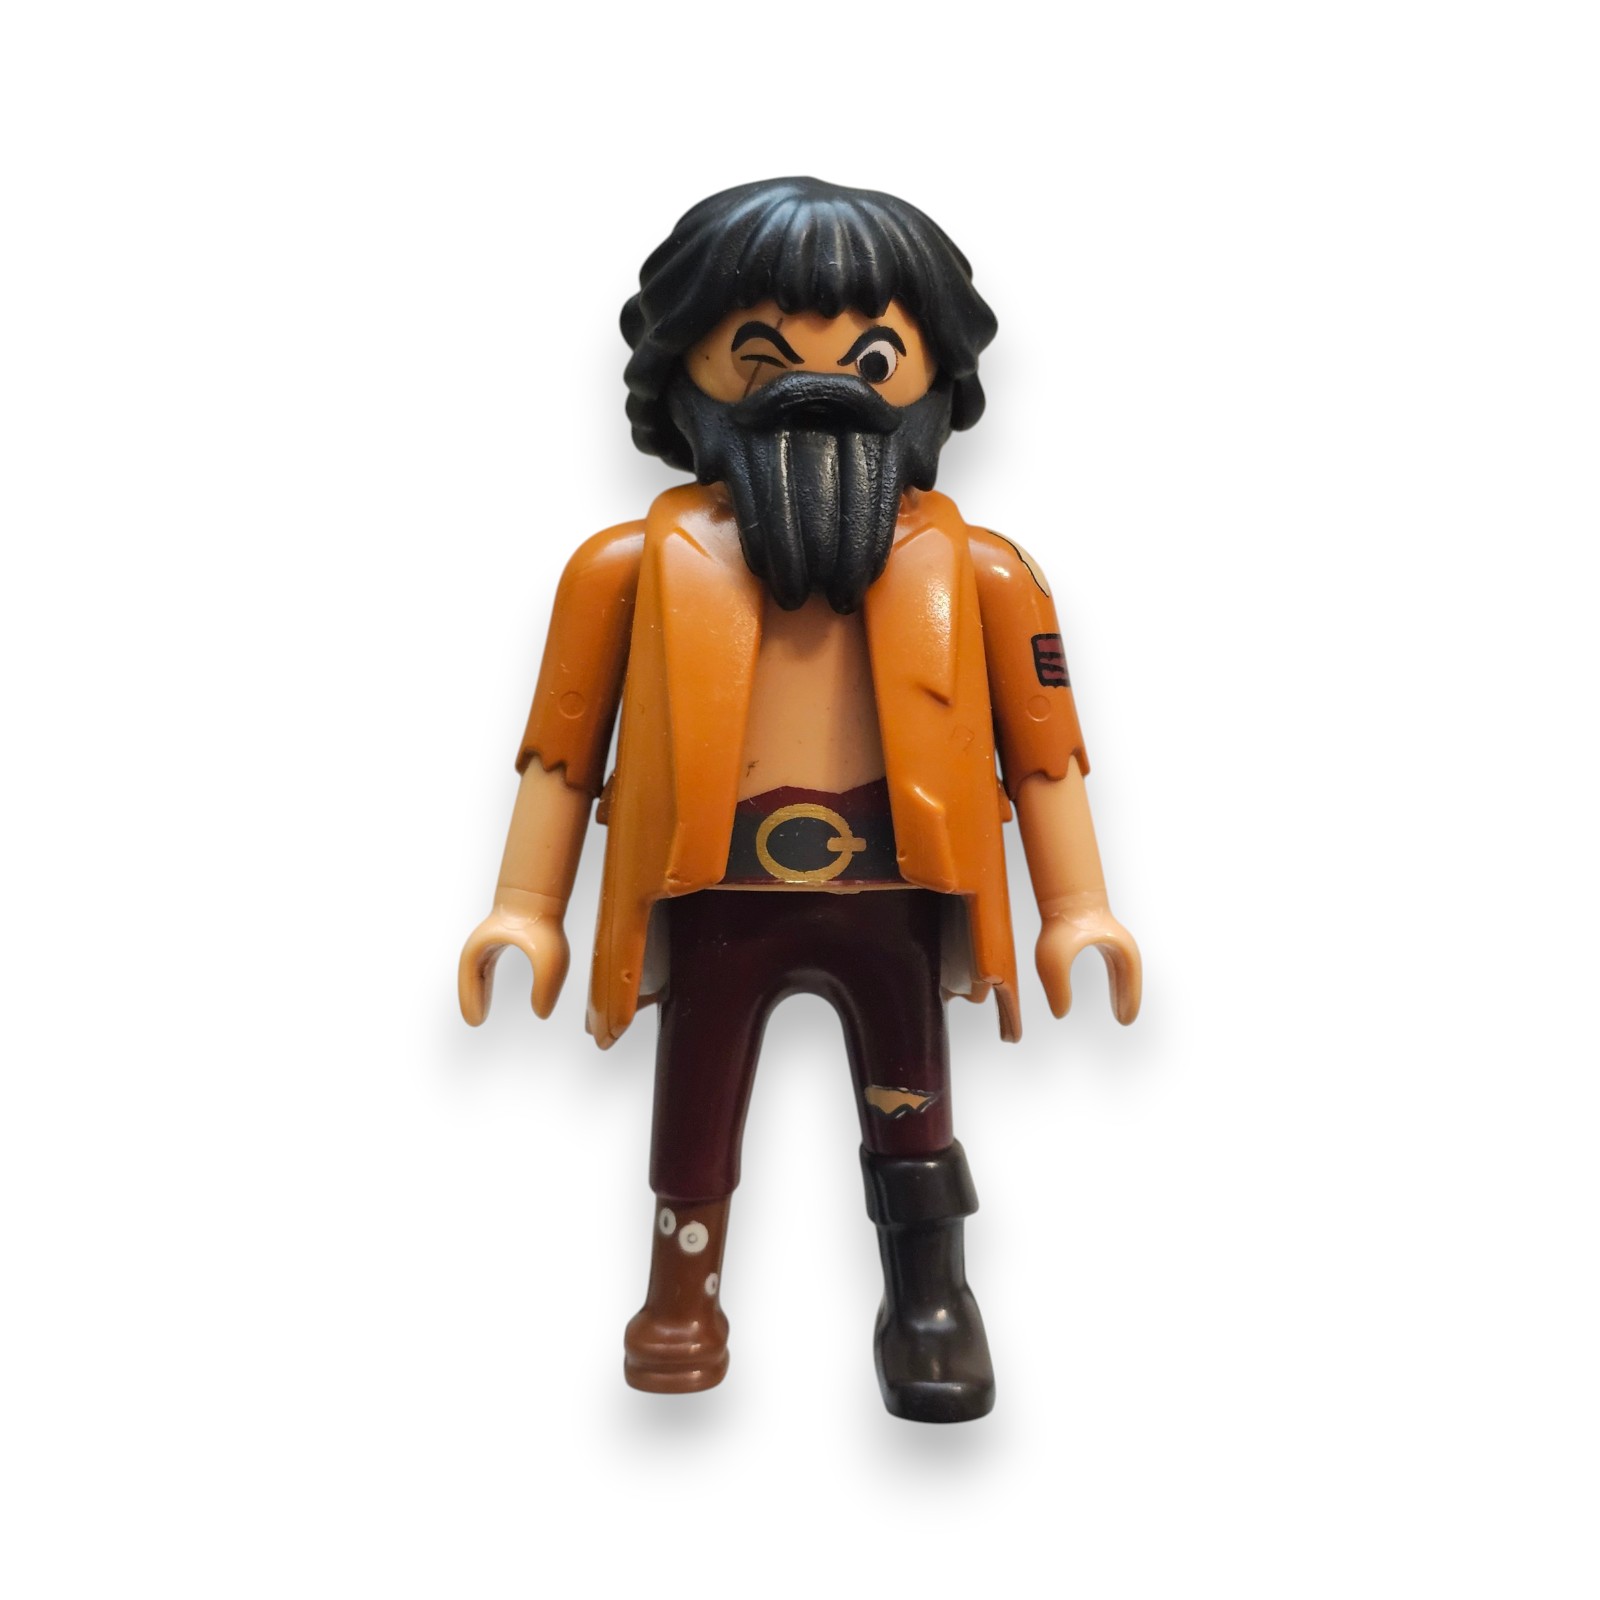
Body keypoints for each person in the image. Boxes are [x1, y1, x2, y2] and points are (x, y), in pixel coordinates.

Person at [459, 177, 1141, 1423]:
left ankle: (930, 1300)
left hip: (896, 894)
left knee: (911, 1102)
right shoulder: (623, 569)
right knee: (696, 1098)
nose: (819, 388)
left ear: (930, 378)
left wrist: (1076, 907)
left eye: (871, 356)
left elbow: (1047, 759)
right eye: (762, 355)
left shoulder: (985, 576)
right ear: (686, 372)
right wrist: (525, 906)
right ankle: (682, 1295)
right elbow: (560, 757)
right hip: (713, 891)